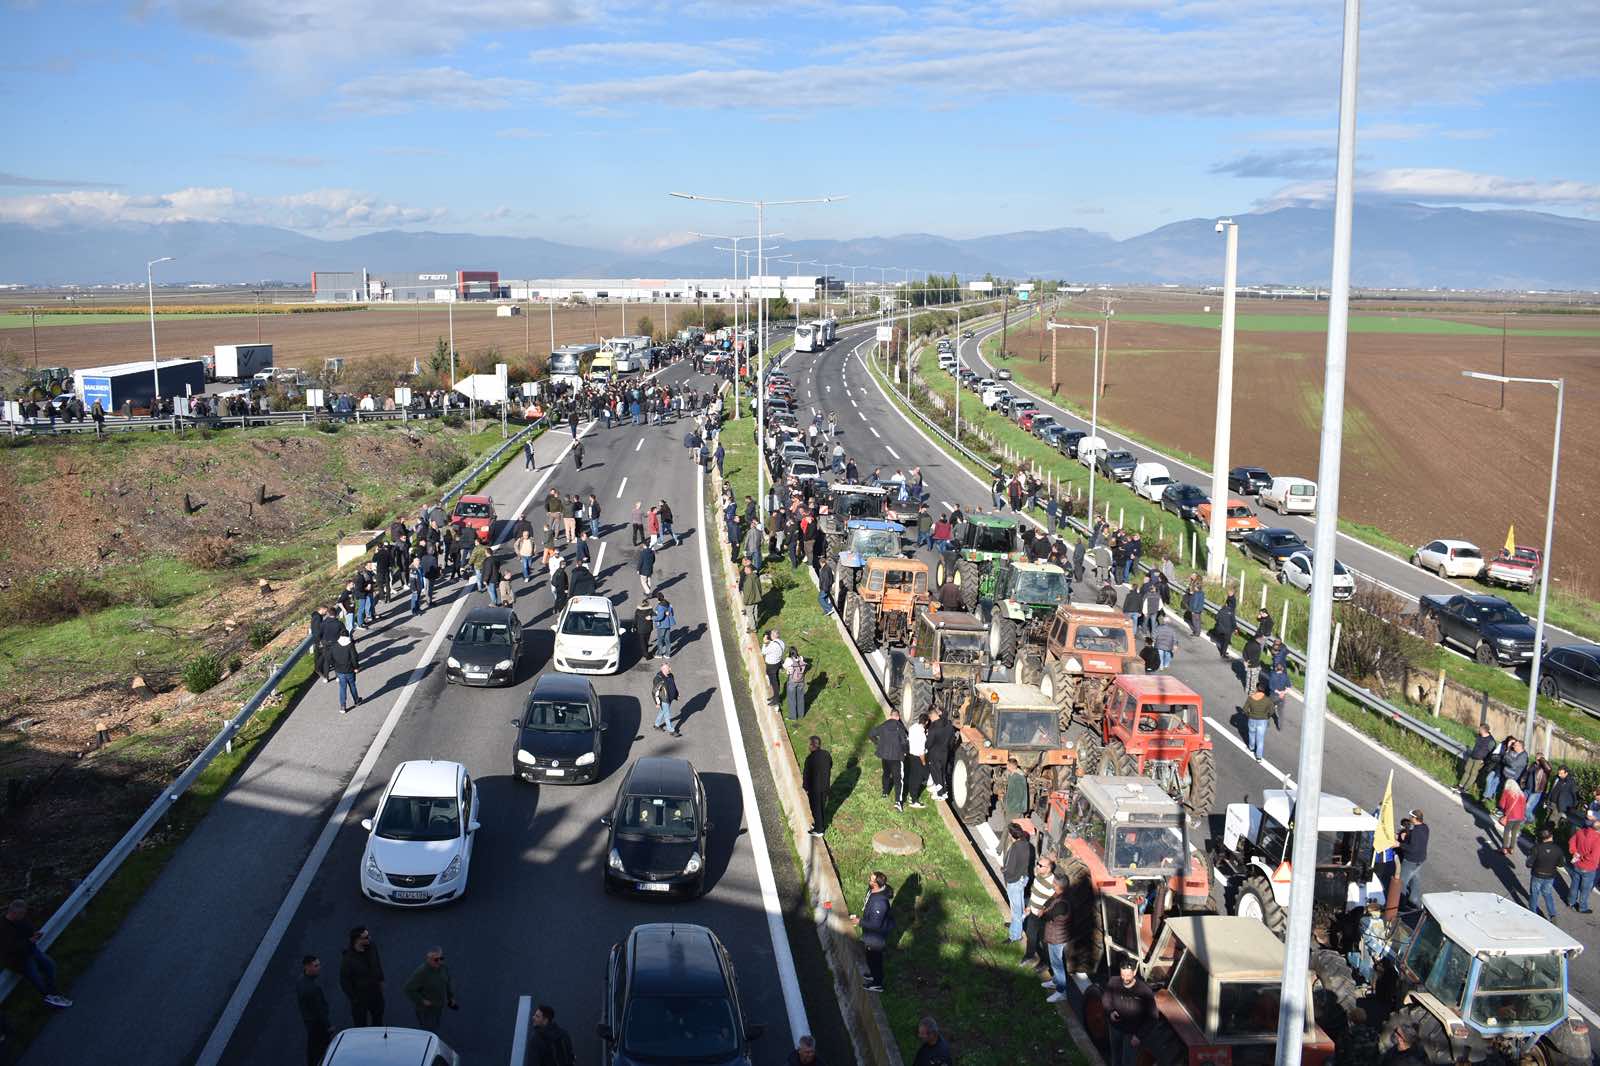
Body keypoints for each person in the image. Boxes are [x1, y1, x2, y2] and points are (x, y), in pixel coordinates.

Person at [0, 899, 71, 1009]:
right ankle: (49, 997)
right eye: (22, 914)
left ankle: (53, 993)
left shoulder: (22, 919)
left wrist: (34, 934)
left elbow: (28, 929)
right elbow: (10, 948)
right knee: (36, 977)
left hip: (31, 950)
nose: (24, 916)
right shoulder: (3, 928)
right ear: (14, 913)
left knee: (50, 966)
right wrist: (29, 941)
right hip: (18, 959)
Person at [1101, 959, 1156, 1066]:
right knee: (1115, 1056)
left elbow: (1153, 1017)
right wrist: (1111, 1011)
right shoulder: (1113, 982)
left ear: (1134, 973)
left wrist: (1139, 1036)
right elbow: (1106, 999)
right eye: (1123, 975)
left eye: (1128, 975)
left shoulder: (1144, 991)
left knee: (1128, 1061)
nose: (1125, 978)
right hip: (1115, 1028)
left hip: (1132, 1034)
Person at [853, 872, 894, 993]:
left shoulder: (879, 903)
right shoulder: (874, 891)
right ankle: (873, 974)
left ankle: (877, 983)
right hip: (871, 935)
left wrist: (859, 921)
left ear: (876, 884)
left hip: (876, 938)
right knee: (870, 956)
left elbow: (876, 925)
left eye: (871, 880)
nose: (869, 881)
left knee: (874, 959)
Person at [339, 925, 385, 1027]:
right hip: (360, 996)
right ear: (357, 940)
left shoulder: (372, 946)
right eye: (366, 937)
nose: (369, 938)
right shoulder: (348, 959)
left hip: (375, 992)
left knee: (378, 1019)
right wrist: (354, 998)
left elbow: (377, 963)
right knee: (360, 1025)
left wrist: (381, 980)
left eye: (368, 935)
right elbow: (344, 981)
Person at [403, 947, 457, 1033]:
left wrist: (451, 997)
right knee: (429, 1034)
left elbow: (447, 982)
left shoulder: (443, 968)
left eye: (441, 958)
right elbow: (408, 989)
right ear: (428, 959)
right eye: (436, 960)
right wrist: (422, 1000)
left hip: (438, 1007)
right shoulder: (421, 972)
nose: (439, 962)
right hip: (426, 1011)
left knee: (434, 1029)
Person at [869, 709, 910, 811]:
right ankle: (898, 802)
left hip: (885, 756)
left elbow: (871, 734)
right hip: (897, 757)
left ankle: (885, 792)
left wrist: (878, 744)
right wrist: (906, 752)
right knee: (898, 779)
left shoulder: (883, 725)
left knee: (886, 774)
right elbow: (904, 742)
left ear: (890, 715)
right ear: (898, 717)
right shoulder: (900, 727)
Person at [1021, 856, 1056, 973]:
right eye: (1037, 864)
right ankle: (1029, 955)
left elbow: (1054, 901)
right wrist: (1029, 906)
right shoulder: (1038, 877)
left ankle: (1045, 963)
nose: (1037, 867)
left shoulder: (1053, 883)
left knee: (1044, 942)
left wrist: (1044, 909)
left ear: (1049, 868)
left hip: (1044, 917)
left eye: (1040, 866)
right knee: (1031, 936)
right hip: (1033, 913)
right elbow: (1034, 893)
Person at [297, 954, 334, 1065]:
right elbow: (319, 1010)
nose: (319, 968)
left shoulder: (301, 982)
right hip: (318, 1027)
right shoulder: (312, 988)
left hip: (310, 1024)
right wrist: (328, 1026)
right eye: (316, 966)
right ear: (307, 967)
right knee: (323, 1053)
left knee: (313, 1051)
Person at [1041, 879, 1071, 1004]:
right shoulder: (1058, 895)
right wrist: (1045, 908)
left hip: (1057, 938)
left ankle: (1061, 992)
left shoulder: (1062, 904)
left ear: (1059, 886)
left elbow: (1049, 915)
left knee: (1057, 965)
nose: (1052, 884)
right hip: (1054, 936)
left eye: (1054, 883)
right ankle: (1055, 981)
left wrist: (1043, 912)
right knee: (1055, 963)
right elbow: (1048, 903)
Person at [1346, 901, 1390, 987]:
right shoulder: (1365, 921)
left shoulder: (1381, 921)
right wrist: (1377, 951)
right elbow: (1366, 938)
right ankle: (1370, 979)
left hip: (1378, 945)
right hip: (1367, 945)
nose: (1379, 913)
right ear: (1371, 912)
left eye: (1379, 912)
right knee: (1366, 962)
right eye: (1377, 911)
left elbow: (1382, 935)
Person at [1002, 823, 1032, 943]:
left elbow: (1009, 868)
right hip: (1023, 878)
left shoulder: (1015, 847)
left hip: (1015, 881)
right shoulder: (1026, 843)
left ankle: (1015, 935)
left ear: (1011, 835)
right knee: (1017, 906)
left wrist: (1002, 869)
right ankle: (1015, 925)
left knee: (1016, 910)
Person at [1528, 826, 1564, 920]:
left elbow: (1528, 864)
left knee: (1534, 894)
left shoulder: (1536, 848)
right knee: (1547, 893)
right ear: (1551, 836)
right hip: (1550, 875)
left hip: (1537, 874)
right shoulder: (1558, 849)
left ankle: (1532, 913)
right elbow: (1561, 864)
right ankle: (1552, 914)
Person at [1569, 813, 1600, 913]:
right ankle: (1582, 907)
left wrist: (1575, 853)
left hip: (1577, 864)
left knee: (1574, 884)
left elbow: (1571, 842)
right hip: (1589, 868)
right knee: (1585, 889)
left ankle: (1571, 902)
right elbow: (1594, 857)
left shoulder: (1580, 832)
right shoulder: (1597, 839)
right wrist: (1583, 857)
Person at [1398, 808, 1429, 908]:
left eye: (1411, 817)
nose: (1409, 818)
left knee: (1402, 882)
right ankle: (1414, 902)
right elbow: (1417, 839)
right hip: (1420, 860)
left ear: (1414, 818)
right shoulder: (1425, 827)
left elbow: (1412, 848)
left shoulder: (1415, 832)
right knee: (1415, 881)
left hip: (1410, 861)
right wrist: (1407, 835)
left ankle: (1401, 905)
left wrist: (1399, 844)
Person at [803, 735, 832, 837]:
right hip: (825, 787)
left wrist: (805, 787)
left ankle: (819, 830)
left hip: (814, 789)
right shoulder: (826, 754)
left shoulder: (810, 759)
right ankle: (820, 824)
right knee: (821, 807)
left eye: (809, 745)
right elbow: (830, 765)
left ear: (812, 745)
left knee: (815, 809)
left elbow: (806, 775)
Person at [327, 631, 361, 714]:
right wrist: (356, 667)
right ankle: (356, 701)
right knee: (352, 685)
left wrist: (335, 666)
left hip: (339, 671)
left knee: (342, 688)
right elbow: (354, 657)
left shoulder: (334, 646)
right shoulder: (350, 645)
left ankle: (343, 706)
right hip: (349, 670)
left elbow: (329, 658)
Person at [926, 707, 954, 802]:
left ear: (932, 716)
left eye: (930, 718)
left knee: (936, 773)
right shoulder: (948, 724)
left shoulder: (933, 728)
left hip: (935, 753)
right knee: (942, 772)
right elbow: (952, 739)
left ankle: (940, 794)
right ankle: (944, 792)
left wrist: (926, 746)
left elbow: (929, 743)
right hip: (945, 752)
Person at [1457, 724, 1495, 794]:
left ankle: (1465, 788)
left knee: (1473, 774)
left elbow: (1491, 753)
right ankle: (1460, 785)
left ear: (1484, 730)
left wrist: (1484, 760)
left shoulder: (1491, 741)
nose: (1479, 730)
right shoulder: (1479, 736)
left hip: (1480, 760)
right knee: (1467, 771)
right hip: (1472, 756)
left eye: (1480, 729)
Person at [1243, 686, 1274, 762]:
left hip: (1252, 719)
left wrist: (1249, 715)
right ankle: (1259, 757)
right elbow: (1272, 711)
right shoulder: (1268, 700)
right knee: (1260, 740)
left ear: (1257, 689)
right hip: (1262, 721)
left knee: (1251, 734)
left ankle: (1251, 748)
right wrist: (1267, 717)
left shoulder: (1251, 698)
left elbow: (1244, 709)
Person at [904, 712, 928, 808]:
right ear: (926, 722)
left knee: (912, 776)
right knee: (918, 779)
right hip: (918, 758)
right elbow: (921, 752)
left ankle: (911, 795)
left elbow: (909, 739)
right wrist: (924, 762)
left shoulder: (912, 727)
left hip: (911, 755)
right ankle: (914, 801)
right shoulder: (922, 735)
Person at [1500, 779, 1528, 857]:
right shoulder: (1521, 794)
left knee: (1506, 831)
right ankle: (1511, 848)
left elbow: (1502, 804)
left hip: (1511, 815)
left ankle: (1504, 848)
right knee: (1514, 832)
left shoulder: (1507, 792)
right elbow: (1524, 806)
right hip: (1520, 817)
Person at [652, 662, 680, 736]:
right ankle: (671, 730)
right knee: (667, 715)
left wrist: (676, 695)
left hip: (670, 698)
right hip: (664, 699)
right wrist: (657, 702)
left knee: (662, 712)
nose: (670, 669)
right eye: (668, 668)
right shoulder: (658, 679)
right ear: (663, 669)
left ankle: (656, 725)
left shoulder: (671, 675)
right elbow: (655, 692)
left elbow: (674, 686)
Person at [784, 646, 807, 721]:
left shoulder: (788, 660)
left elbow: (784, 666)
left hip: (792, 681)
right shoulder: (801, 658)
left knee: (791, 699)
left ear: (790, 653)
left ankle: (793, 716)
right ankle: (801, 714)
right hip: (801, 680)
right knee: (800, 698)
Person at [1210, 593, 1237, 659]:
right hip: (1228, 630)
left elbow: (1216, 618)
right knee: (1226, 642)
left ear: (1226, 604)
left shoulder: (1221, 610)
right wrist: (1235, 629)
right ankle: (1223, 653)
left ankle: (1223, 650)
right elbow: (1233, 622)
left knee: (1222, 640)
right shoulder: (1231, 612)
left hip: (1220, 628)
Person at [740, 561, 762, 632]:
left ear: (749, 570)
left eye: (745, 569)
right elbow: (759, 587)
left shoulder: (748, 579)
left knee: (750, 614)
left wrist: (745, 601)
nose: (744, 570)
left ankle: (753, 628)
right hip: (756, 598)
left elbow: (747, 592)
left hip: (750, 600)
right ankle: (755, 624)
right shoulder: (755, 576)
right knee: (755, 612)